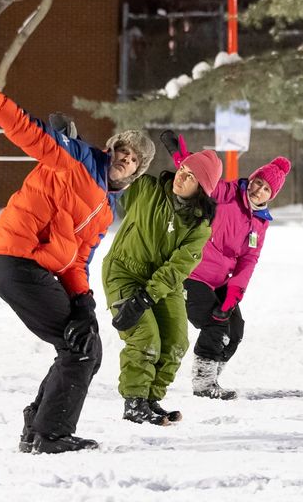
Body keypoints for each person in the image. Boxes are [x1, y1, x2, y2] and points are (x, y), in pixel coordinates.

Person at [0, 44, 155, 454]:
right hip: (18, 260)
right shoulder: (74, 160)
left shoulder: (107, 211)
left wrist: (83, 303)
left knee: (83, 340)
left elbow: (78, 258)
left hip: (36, 269)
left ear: (136, 172)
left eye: (132, 160)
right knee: (81, 349)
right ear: (110, 150)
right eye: (121, 151)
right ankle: (49, 434)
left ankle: (38, 426)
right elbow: (27, 131)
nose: (124, 159)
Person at [160, 129, 292, 400]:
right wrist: (180, 155)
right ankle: (203, 384)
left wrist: (232, 297)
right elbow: (199, 179)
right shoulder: (227, 192)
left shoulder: (260, 223)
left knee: (235, 328)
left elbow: (248, 260)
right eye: (257, 181)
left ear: (271, 195)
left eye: (266, 188)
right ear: (252, 178)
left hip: (219, 281)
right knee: (214, 324)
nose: (258, 189)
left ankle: (212, 375)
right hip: (192, 272)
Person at [102, 148, 219, 425]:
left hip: (163, 283)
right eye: (183, 170)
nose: (182, 177)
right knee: (145, 337)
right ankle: (134, 401)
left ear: (202, 189)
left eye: (191, 177)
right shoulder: (147, 188)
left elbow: (177, 268)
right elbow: (113, 180)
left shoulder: (199, 226)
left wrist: (146, 298)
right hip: (124, 271)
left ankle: (149, 399)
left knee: (177, 341)